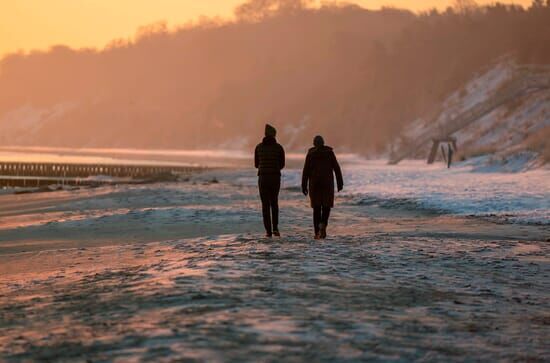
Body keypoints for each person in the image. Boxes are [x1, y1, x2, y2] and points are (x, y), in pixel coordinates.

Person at [301, 135, 343, 239]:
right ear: (323, 143)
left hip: (315, 184)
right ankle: (323, 225)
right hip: (327, 184)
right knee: (326, 207)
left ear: (314, 144)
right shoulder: (329, 153)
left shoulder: (310, 154)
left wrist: (303, 185)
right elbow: (337, 168)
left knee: (316, 208)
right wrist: (340, 183)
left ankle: (317, 233)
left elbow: (305, 171)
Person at [255, 124, 285, 237]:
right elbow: (282, 164)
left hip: (263, 178)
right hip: (275, 178)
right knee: (274, 203)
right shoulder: (279, 148)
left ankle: (268, 231)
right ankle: (275, 228)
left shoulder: (258, 147)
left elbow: (256, 164)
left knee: (265, 205)